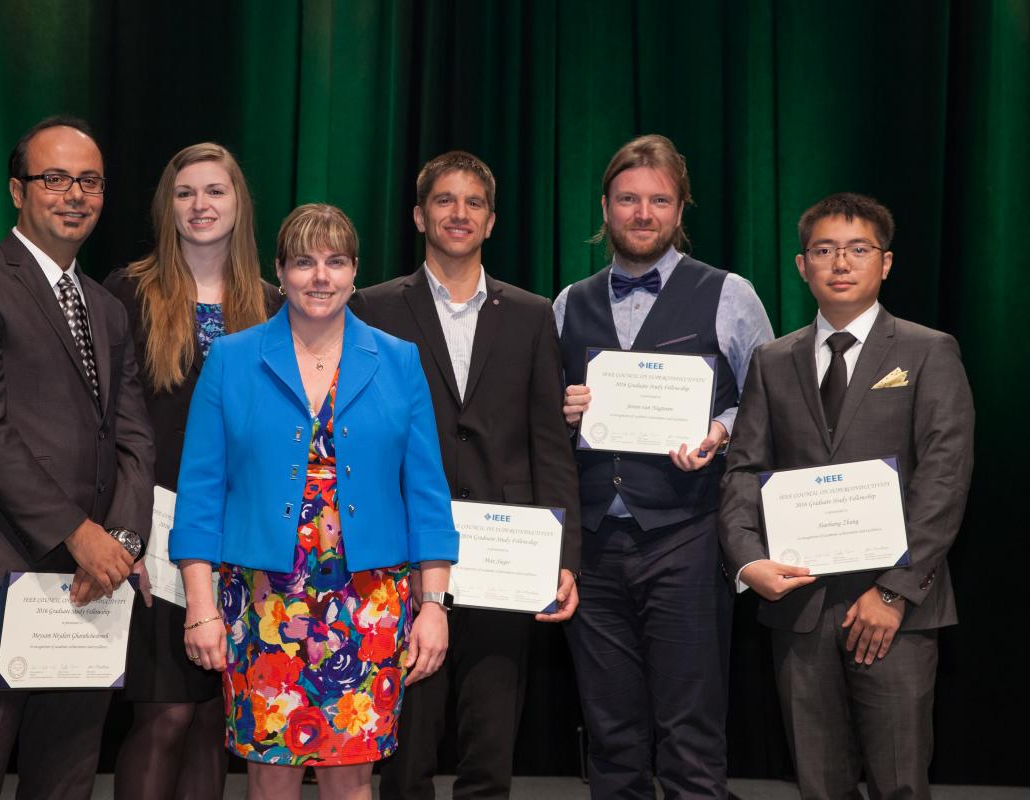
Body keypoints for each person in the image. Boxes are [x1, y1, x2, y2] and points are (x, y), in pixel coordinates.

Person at [170, 203, 458, 799]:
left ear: (355, 271)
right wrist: (201, 608)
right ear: (279, 271)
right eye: (304, 262)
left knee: (351, 778)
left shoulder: (399, 361)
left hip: (370, 602)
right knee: (270, 773)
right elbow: (200, 494)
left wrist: (434, 605)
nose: (319, 277)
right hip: (262, 601)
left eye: (335, 262)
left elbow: (427, 497)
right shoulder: (231, 359)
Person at [0, 116, 154, 799]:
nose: (73, 194)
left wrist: (123, 543)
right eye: (54, 178)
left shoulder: (107, 309)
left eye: (89, 181)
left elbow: (135, 437)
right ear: (18, 190)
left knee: (67, 781)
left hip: (93, 585)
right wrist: (81, 535)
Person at [719, 193, 974, 799]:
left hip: (896, 609)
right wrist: (748, 560)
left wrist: (892, 590)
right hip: (798, 607)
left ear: (885, 264)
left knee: (899, 783)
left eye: (858, 250)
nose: (840, 263)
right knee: (819, 784)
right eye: (824, 250)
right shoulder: (772, 360)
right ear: (802, 266)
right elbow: (742, 471)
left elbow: (943, 478)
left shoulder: (928, 350)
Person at [354, 150, 582, 800]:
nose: (460, 213)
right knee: (404, 753)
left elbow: (550, 447)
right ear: (420, 215)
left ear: (490, 221)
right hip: (402, 557)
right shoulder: (373, 308)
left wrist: (566, 557)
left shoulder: (533, 314)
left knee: (490, 752)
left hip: (505, 561)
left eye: (473, 202)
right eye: (446, 201)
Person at [555, 133, 773, 798]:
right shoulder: (569, 302)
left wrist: (719, 430)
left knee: (691, 731)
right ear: (605, 206)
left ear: (681, 211)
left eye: (658, 200)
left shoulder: (730, 294)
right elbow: (543, 428)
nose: (642, 213)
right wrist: (562, 411)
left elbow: (769, 409)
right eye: (628, 199)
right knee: (611, 733)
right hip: (594, 544)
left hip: (688, 536)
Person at [104, 142, 283, 799]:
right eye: (186, 193)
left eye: (215, 191)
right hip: (154, 534)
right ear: (166, 206)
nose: (201, 205)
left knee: (213, 718)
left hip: (243, 540)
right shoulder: (129, 291)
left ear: (239, 204)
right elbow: (106, 423)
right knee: (165, 714)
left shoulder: (271, 302)